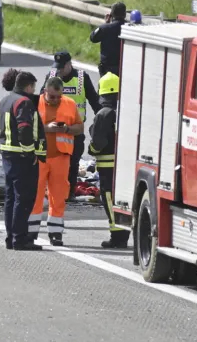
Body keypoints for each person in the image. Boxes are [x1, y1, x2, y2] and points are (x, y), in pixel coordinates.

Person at [0, 69, 46, 251]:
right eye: (33, 88)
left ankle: (11, 238)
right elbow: (25, 128)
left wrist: (4, 141)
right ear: (28, 86)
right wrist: (30, 153)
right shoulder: (24, 102)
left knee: (11, 198)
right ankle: (20, 239)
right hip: (22, 158)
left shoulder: (4, 101)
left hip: (7, 155)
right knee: (23, 199)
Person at [29, 77, 83, 246]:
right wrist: (47, 128)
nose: (55, 100)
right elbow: (27, 127)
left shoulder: (69, 104)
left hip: (61, 156)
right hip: (39, 156)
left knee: (58, 195)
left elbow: (79, 127)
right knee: (35, 194)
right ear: (45, 91)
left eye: (58, 96)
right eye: (52, 96)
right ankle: (31, 231)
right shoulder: (34, 103)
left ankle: (55, 232)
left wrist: (66, 128)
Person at [42, 51, 101, 199]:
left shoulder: (81, 78)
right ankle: (53, 192)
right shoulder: (51, 76)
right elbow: (40, 101)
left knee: (73, 163)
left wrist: (102, 120)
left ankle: (69, 193)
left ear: (69, 64)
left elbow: (94, 101)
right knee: (53, 163)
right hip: (54, 131)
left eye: (62, 67)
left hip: (75, 130)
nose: (59, 71)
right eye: (57, 67)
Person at [89, 72, 129, 248]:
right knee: (123, 200)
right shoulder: (126, 111)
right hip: (125, 165)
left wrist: (91, 150)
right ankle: (124, 234)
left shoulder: (103, 114)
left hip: (107, 166)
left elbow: (98, 142)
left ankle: (117, 237)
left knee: (109, 200)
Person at [90, 2, 127, 77]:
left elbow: (93, 38)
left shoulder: (105, 28)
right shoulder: (130, 29)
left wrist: (106, 23)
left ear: (111, 14)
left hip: (107, 69)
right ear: (125, 14)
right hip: (124, 68)